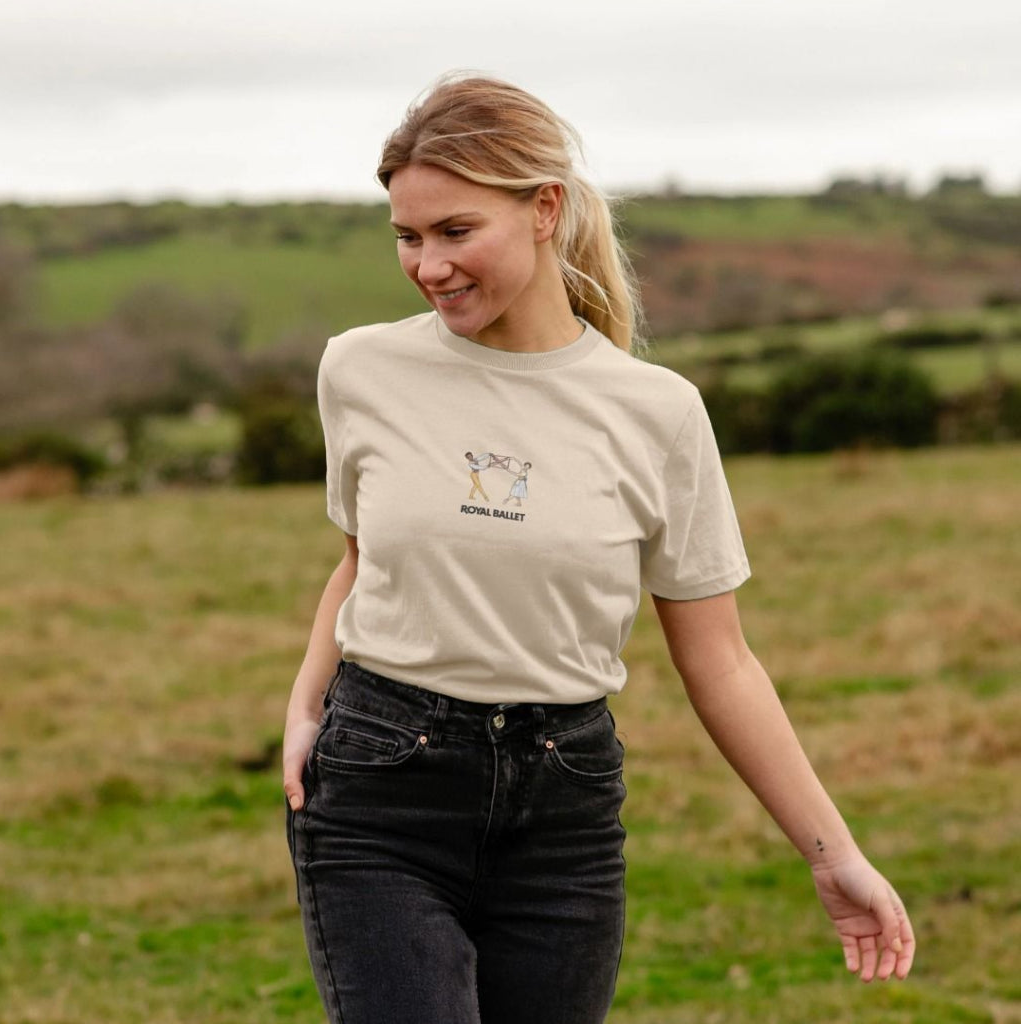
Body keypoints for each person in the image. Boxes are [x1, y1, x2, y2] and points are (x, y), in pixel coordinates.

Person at [283, 72, 915, 1024]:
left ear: (544, 210)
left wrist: (836, 856)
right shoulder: (360, 368)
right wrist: (305, 708)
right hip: (383, 792)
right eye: (407, 237)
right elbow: (361, 560)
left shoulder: (657, 414)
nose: (427, 264)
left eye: (456, 232)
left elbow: (724, 660)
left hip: (564, 809)